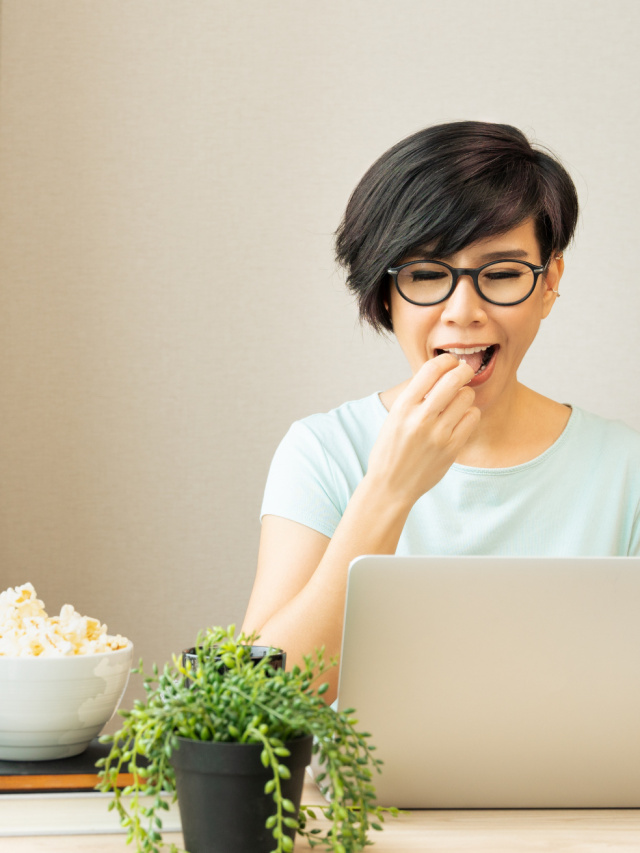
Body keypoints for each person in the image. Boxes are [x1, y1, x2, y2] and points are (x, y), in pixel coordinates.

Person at [242, 121, 640, 702]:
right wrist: (389, 491)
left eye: (501, 274)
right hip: (361, 797)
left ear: (549, 281)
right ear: (384, 292)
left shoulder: (626, 470)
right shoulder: (323, 451)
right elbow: (255, 702)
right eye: (426, 275)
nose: (463, 311)